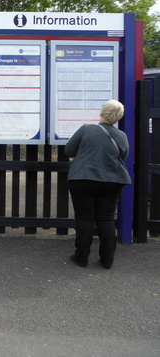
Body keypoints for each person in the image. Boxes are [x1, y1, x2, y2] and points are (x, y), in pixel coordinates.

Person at [64, 100, 132, 269]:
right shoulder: (121, 136)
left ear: (101, 112)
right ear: (117, 118)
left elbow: (69, 150)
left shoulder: (87, 129)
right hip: (111, 181)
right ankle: (107, 260)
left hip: (83, 179)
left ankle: (81, 258)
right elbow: (122, 157)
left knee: (84, 219)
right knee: (106, 219)